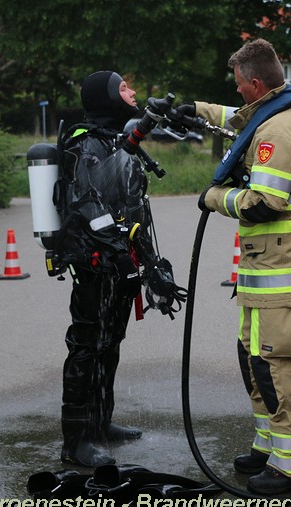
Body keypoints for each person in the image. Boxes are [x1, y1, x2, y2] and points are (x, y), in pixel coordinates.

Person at [178, 39, 291, 495]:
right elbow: (238, 119)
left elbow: (263, 204)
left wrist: (214, 198)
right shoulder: (274, 111)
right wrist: (194, 110)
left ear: (257, 83)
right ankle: (268, 445)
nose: (237, 91)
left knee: (275, 364)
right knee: (253, 357)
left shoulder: (279, 133)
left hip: (283, 268)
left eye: (240, 84)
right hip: (268, 267)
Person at [54, 71, 184, 467]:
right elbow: (87, 204)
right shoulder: (85, 143)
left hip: (120, 263)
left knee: (111, 343)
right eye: (124, 87)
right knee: (86, 346)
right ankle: (75, 441)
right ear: (106, 96)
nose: (132, 91)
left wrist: (151, 264)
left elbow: (133, 209)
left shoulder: (115, 141)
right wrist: (118, 254)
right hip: (94, 265)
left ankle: (100, 423)